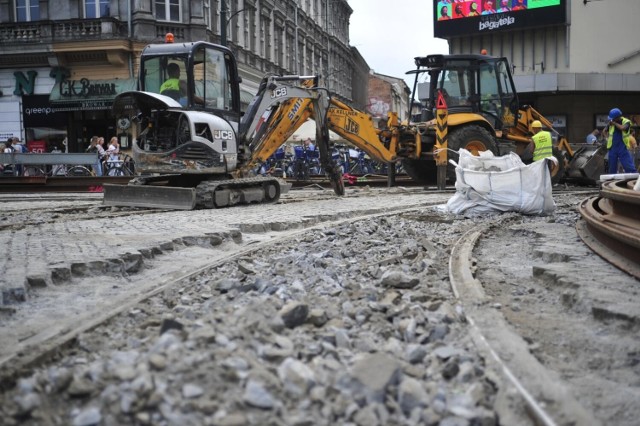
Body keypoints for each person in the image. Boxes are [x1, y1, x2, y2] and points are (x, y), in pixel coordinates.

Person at [602, 108, 636, 174]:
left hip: (622, 147)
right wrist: (607, 138)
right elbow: (604, 131)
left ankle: (634, 181)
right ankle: (611, 181)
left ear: (618, 117)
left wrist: (614, 123)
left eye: (613, 118)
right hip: (612, 148)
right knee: (612, 168)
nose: (612, 119)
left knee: (628, 166)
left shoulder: (626, 122)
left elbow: (622, 128)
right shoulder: (611, 123)